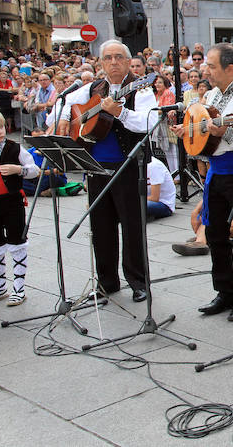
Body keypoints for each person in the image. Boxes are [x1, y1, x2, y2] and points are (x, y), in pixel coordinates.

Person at [172, 43, 233, 322]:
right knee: (215, 232)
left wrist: (225, 133)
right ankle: (226, 290)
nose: (206, 71)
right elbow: (205, 133)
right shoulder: (213, 95)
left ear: (230, 68)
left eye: (212, 66)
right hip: (216, 170)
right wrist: (189, 132)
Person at [57, 40, 156, 303]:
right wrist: (69, 119)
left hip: (127, 165)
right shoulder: (93, 87)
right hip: (96, 166)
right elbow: (67, 104)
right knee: (101, 227)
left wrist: (120, 112)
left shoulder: (141, 88)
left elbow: (147, 122)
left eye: (119, 57)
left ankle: (138, 281)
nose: (114, 62)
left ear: (127, 61)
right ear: (101, 63)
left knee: (132, 225)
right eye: (108, 58)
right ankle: (107, 282)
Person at [0, 107, 40, 306]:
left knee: (17, 242)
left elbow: (35, 170)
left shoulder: (15, 148)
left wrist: (19, 169)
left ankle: (19, 288)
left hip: (12, 203)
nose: (1, 132)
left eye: (2, 127)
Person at [146, 156, 176, 220]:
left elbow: (154, 198)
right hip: (147, 200)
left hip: (163, 204)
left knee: (139, 206)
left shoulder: (153, 165)